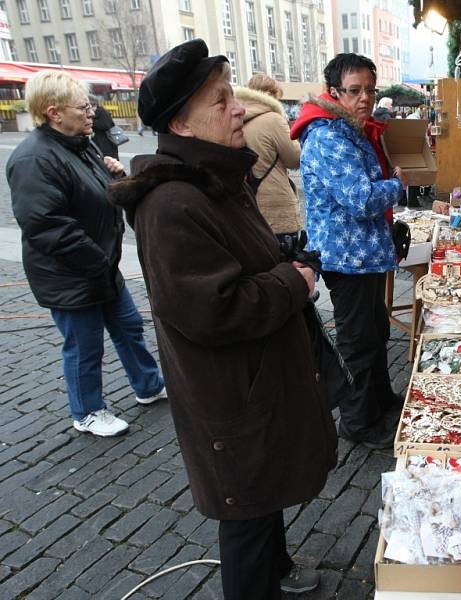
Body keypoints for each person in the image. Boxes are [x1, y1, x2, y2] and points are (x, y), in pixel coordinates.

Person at [107, 40, 336, 599]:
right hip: (231, 396)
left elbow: (246, 261)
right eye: (220, 101)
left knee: (264, 497)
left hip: (255, 381)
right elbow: (215, 308)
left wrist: (285, 261)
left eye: (232, 95)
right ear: (181, 125)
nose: (238, 109)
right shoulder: (172, 205)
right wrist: (294, 281)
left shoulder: (217, 182)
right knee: (246, 517)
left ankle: (277, 575)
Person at [6, 70, 166, 438]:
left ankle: (148, 386)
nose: (92, 112)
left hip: (101, 268)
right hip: (72, 275)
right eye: (83, 107)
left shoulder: (83, 144)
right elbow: (48, 227)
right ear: (54, 113)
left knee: (128, 328)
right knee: (84, 346)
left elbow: (100, 198)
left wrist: (115, 176)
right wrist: (97, 261)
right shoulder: (34, 159)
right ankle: (88, 411)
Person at [290, 53, 406, 450]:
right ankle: (357, 422)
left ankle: (381, 398)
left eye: (370, 90)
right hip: (346, 257)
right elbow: (360, 198)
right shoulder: (327, 136)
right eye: (355, 90)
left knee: (375, 331)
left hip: (365, 253)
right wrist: (397, 184)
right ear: (334, 92)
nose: (365, 98)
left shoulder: (349, 129)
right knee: (358, 341)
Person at [234, 74, 302, 238]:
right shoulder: (273, 119)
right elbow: (294, 159)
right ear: (272, 95)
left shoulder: (236, 119)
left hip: (247, 205)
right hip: (276, 208)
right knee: (286, 259)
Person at [89, 94, 119, 160]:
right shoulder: (95, 112)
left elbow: (106, 125)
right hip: (99, 141)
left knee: (108, 160)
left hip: (106, 142)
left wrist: (91, 123)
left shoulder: (101, 111)